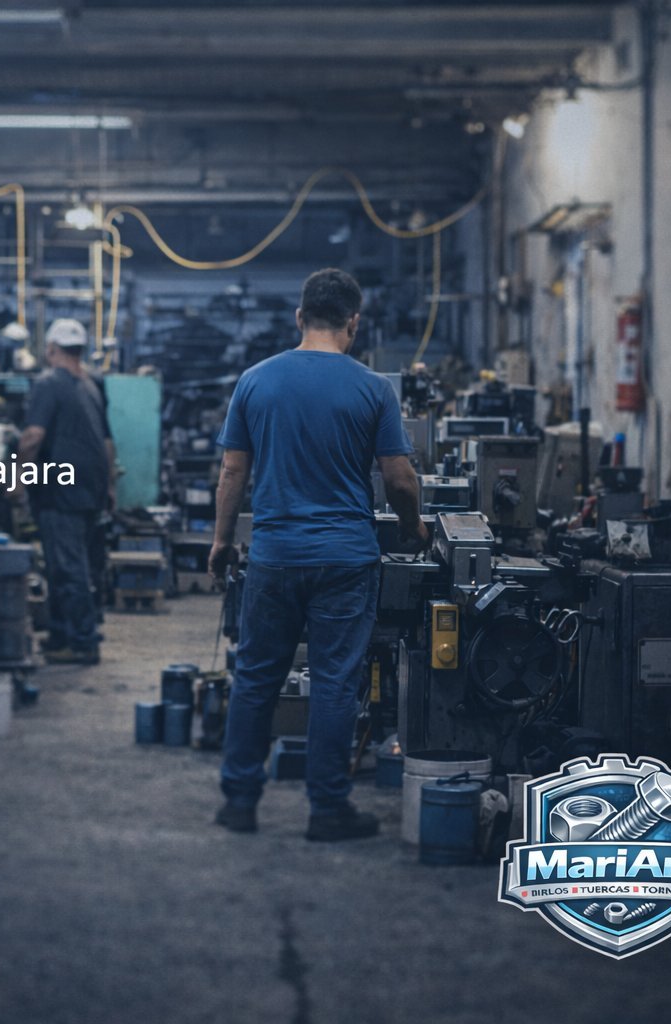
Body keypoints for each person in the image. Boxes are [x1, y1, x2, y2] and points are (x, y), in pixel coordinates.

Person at [207, 268, 426, 841]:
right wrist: (414, 528)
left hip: (275, 556)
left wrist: (222, 541)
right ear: (354, 323)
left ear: (300, 317)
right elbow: (399, 479)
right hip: (345, 560)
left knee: (256, 677)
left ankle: (239, 802)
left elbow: (232, 471)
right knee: (334, 683)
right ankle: (327, 810)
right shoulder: (373, 389)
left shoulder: (255, 381)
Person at [19, 318, 116, 665]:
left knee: (68, 569)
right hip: (90, 489)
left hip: (60, 491)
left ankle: (83, 642)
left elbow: (33, 437)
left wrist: (16, 478)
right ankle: (60, 637)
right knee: (66, 566)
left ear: (50, 349)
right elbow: (107, 442)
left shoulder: (48, 383)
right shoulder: (92, 384)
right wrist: (109, 486)